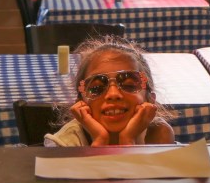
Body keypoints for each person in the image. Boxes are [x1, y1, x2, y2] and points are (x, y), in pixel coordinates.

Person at [44, 36, 175, 147]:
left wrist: (127, 140)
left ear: (150, 99)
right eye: (96, 88)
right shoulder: (65, 144)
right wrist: (100, 140)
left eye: (129, 85)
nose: (113, 94)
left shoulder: (158, 133)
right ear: (80, 103)